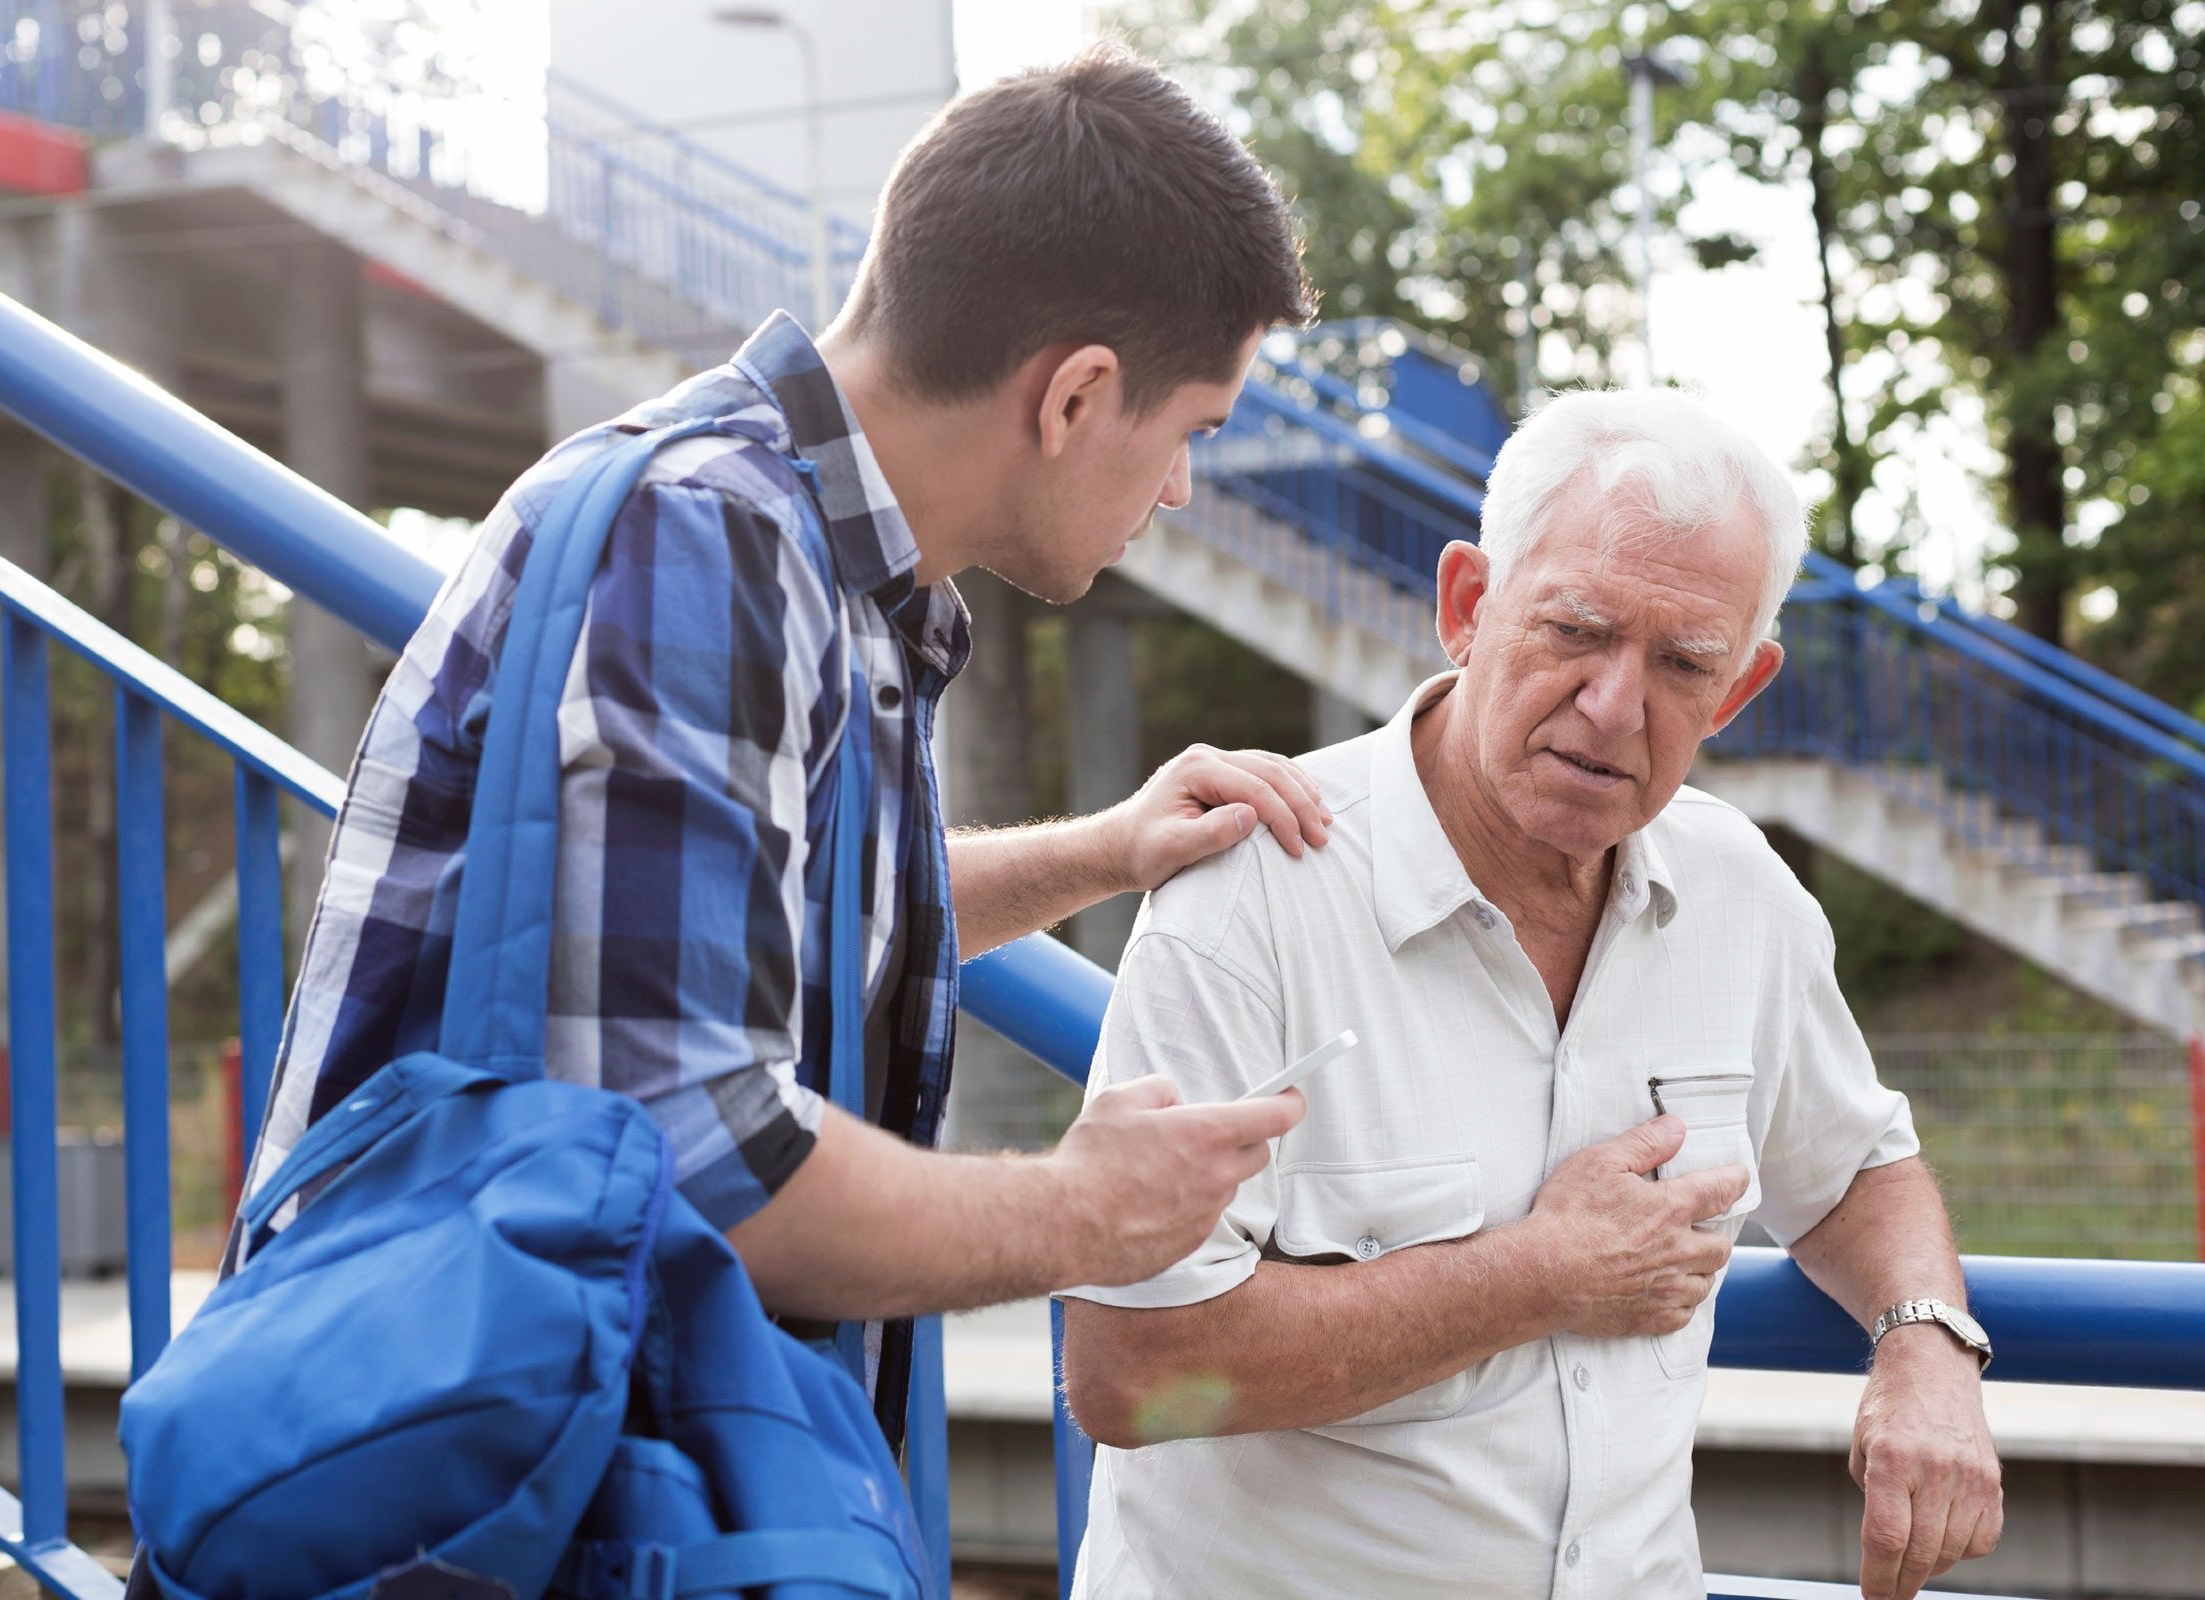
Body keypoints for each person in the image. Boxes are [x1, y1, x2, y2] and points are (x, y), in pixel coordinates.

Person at [240, 43, 1322, 1448]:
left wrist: (1106, 852)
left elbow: (743, 900)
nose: (1178, 487)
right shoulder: (702, 540)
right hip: (464, 1492)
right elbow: (691, 1153)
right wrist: (1087, 1212)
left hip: (527, 1458)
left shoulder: (810, 552)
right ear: (1073, 397)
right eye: (1190, 431)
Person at [1059, 388, 2005, 1600]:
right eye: (1576, 630)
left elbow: (1858, 1166)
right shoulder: (1254, 893)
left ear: (1740, 689)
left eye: (1683, 664)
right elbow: (1132, 1367)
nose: (1617, 707)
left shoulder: (1739, 896)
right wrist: (1538, 1274)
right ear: (1467, 605)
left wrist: (1925, 1341)